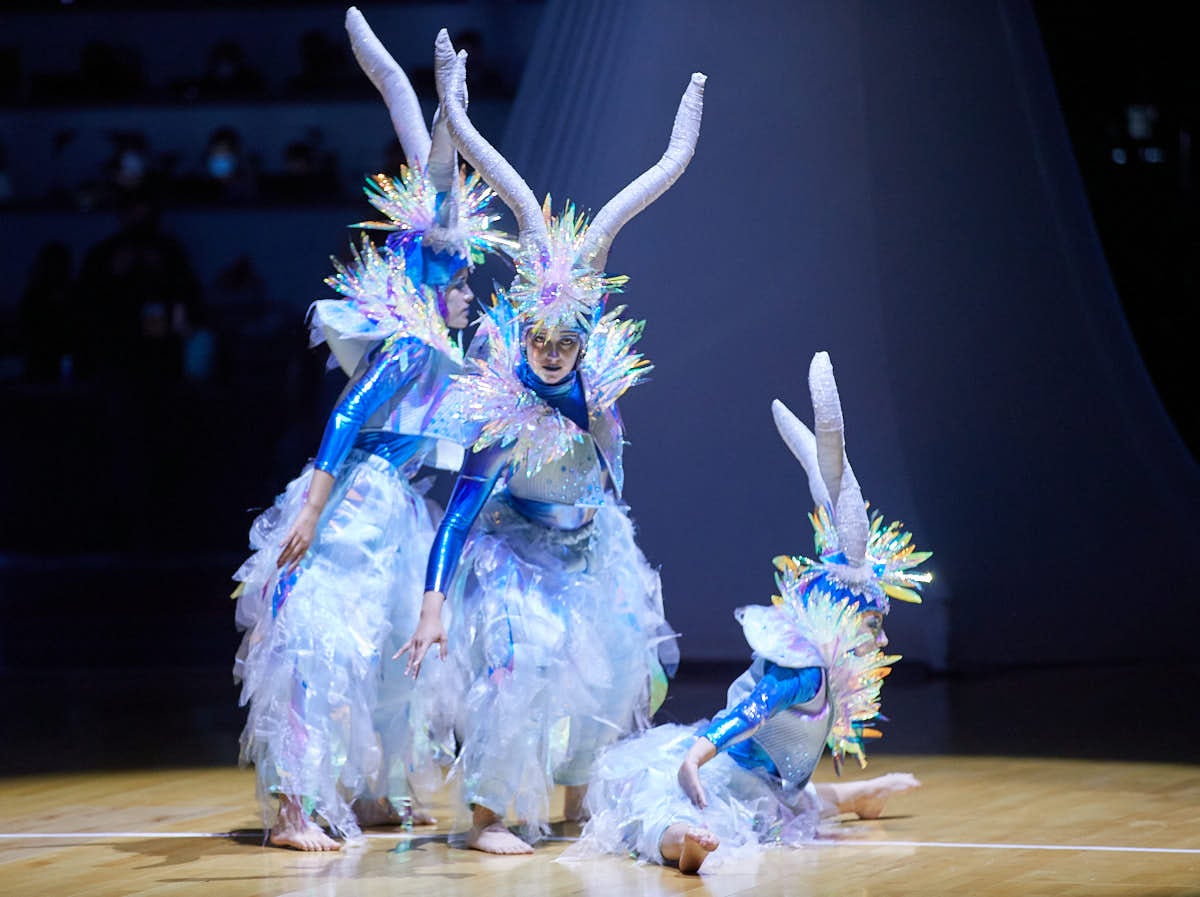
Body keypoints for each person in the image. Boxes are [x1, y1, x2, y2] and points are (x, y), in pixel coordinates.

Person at [397, 36, 705, 854]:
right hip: (516, 553)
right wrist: (432, 610)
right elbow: (461, 514)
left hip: (589, 548)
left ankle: (575, 796)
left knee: (607, 665)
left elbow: (601, 467)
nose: (551, 348)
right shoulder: (504, 414)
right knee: (518, 663)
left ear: (584, 333)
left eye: (565, 336)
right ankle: (492, 815)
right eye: (537, 334)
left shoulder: (598, 395)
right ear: (520, 329)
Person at [231, 9, 512, 852]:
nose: (469, 292)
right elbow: (348, 417)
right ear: (432, 284)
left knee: (395, 657)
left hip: (396, 513)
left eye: (469, 278)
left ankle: (378, 788)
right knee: (320, 646)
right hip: (354, 507)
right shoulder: (413, 344)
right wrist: (312, 512)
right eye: (457, 278)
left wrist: (449, 109)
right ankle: (290, 804)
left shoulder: (452, 360)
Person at [564, 352, 929, 873]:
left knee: (778, 807)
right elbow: (749, 712)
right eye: (872, 624)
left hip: (759, 782)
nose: (881, 639)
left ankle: (858, 796)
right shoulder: (801, 670)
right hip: (717, 769)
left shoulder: (823, 669)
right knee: (663, 809)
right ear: (841, 615)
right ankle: (681, 840)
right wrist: (695, 757)